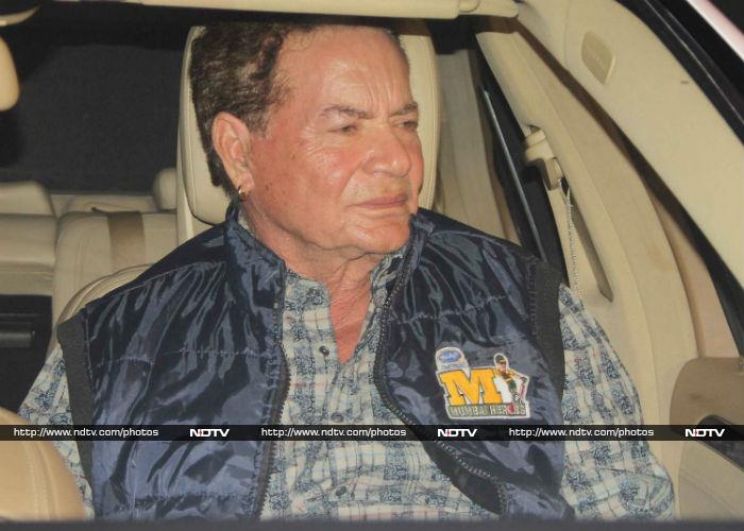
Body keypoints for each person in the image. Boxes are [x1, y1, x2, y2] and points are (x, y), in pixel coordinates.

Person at [20, 19, 674, 521]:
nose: (398, 158)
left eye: (405, 122)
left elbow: (628, 505)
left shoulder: (524, 304)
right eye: (347, 128)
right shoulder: (113, 344)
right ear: (238, 152)